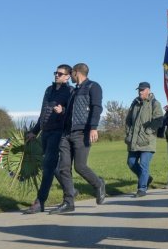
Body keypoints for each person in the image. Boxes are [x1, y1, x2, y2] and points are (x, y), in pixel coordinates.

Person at [50, 63, 106, 214]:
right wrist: (63, 111)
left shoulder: (93, 86)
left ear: (76, 73)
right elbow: (71, 112)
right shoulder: (74, 91)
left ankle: (98, 183)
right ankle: (69, 202)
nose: (71, 76)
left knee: (80, 166)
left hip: (82, 133)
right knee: (63, 168)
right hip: (66, 134)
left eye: (71, 73)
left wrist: (93, 127)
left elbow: (96, 107)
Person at [22, 65, 73, 214]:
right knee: (53, 166)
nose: (57, 75)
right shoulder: (48, 90)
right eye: (55, 73)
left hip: (58, 132)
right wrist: (35, 131)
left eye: (60, 73)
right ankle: (71, 190)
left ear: (67, 76)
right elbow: (43, 112)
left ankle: (40, 201)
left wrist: (62, 111)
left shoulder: (70, 91)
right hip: (45, 132)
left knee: (48, 166)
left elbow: (71, 113)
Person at [125, 82, 164, 197]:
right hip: (134, 140)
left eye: (142, 90)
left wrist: (148, 131)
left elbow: (159, 120)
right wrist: (128, 132)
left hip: (147, 141)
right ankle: (147, 178)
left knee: (143, 164)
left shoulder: (155, 103)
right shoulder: (135, 103)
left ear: (148, 90)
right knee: (131, 162)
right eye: (139, 90)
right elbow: (128, 120)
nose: (140, 92)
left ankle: (142, 188)